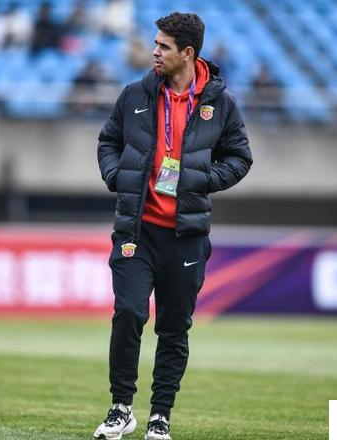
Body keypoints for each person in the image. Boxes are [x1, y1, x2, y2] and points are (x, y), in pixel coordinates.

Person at [94, 12, 252, 440]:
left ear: (187, 53)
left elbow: (240, 159)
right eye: (155, 43)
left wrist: (199, 179)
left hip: (185, 236)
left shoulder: (221, 103)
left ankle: (159, 416)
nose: (154, 52)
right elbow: (108, 141)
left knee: (173, 327)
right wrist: (116, 175)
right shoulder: (135, 94)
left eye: (163, 46)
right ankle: (120, 408)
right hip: (137, 230)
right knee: (129, 312)